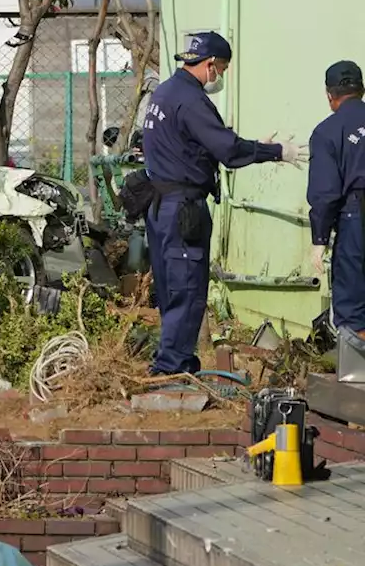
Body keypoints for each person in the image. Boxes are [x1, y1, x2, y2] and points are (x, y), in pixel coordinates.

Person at [140, 32, 306, 376]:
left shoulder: (165, 93)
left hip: (160, 205)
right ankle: (171, 369)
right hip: (182, 208)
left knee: (172, 289)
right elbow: (229, 151)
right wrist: (274, 152)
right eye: (223, 69)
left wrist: (239, 145)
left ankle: (179, 362)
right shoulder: (191, 100)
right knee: (187, 289)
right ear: (211, 64)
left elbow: (194, 145)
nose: (221, 77)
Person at [308, 61, 365, 345]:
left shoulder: (327, 132)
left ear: (330, 95)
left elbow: (326, 192)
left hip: (356, 215)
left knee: (353, 304)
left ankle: (357, 377)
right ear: (362, 90)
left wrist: (320, 238)